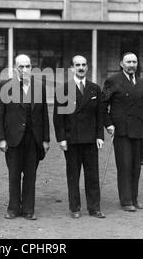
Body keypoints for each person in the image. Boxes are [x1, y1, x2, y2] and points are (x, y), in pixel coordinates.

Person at [0, 54, 50, 220]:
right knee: (14, 174)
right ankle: (13, 209)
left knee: (30, 175)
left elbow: (44, 114)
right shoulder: (5, 86)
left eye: (27, 66)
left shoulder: (40, 86)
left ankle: (28, 209)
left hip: (34, 139)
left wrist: (46, 139)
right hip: (13, 139)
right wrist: (1, 139)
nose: (24, 70)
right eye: (21, 67)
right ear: (15, 68)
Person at [53, 55, 105, 219]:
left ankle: (94, 208)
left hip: (90, 140)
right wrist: (61, 138)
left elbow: (99, 115)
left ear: (87, 67)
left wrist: (99, 136)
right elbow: (58, 117)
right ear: (71, 68)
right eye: (77, 65)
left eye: (83, 65)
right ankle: (74, 208)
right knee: (73, 175)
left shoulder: (95, 88)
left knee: (92, 175)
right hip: (72, 139)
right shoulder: (63, 89)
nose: (81, 68)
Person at [101, 52, 143, 212]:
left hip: (138, 131)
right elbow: (102, 106)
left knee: (137, 166)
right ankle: (126, 200)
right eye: (128, 62)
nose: (132, 65)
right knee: (125, 165)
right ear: (121, 63)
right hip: (122, 131)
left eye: (134, 62)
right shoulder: (113, 81)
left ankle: (134, 198)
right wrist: (108, 124)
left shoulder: (142, 84)